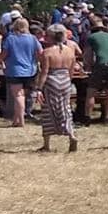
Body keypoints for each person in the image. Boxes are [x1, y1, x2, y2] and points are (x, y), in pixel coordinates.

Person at [38, 25, 80, 154]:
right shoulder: (69, 51)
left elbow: (44, 72)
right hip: (65, 80)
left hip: (52, 80)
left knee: (48, 110)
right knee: (65, 108)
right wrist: (68, 81)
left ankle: (46, 144)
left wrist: (39, 88)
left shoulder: (47, 52)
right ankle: (71, 134)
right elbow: (71, 71)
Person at [2, 14, 42, 126]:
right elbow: (40, 53)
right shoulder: (33, 39)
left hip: (15, 70)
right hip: (30, 71)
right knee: (22, 95)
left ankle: (21, 120)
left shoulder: (11, 39)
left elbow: (4, 54)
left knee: (18, 96)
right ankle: (16, 119)